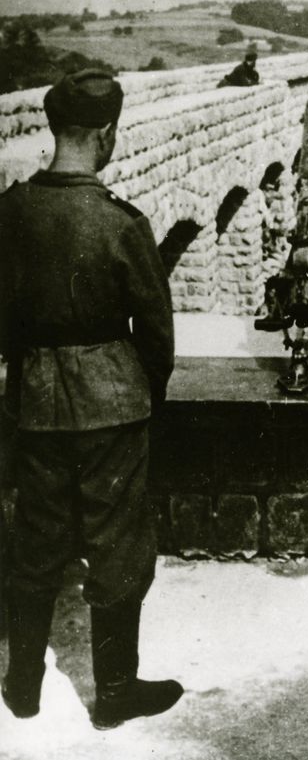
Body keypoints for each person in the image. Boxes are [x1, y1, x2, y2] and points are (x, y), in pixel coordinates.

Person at [0, 69, 180, 729]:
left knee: (35, 539)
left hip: (36, 399)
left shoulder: (12, 212)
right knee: (119, 546)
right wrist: (143, 392)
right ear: (105, 135)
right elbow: (157, 334)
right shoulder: (120, 223)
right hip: (114, 402)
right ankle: (115, 689)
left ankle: (21, 686)